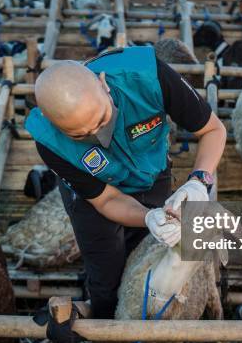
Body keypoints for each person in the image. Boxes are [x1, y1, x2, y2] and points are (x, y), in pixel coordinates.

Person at [26, 46, 226, 320]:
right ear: (55, 125)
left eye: (102, 120)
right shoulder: (50, 144)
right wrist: (148, 217)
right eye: (81, 134)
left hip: (151, 172)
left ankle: (146, 334)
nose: (100, 135)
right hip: (99, 194)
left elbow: (213, 129)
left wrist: (199, 181)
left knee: (147, 257)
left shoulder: (149, 77)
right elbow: (106, 200)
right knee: (105, 275)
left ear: (103, 83)